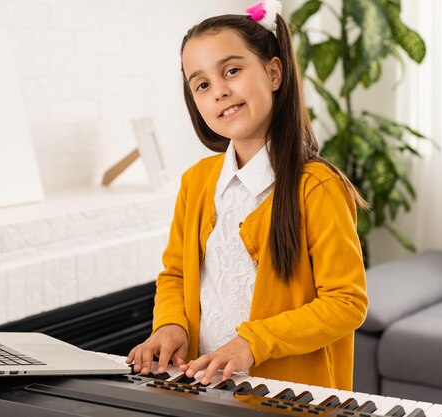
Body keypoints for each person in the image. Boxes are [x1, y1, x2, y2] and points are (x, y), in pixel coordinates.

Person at [126, 0, 368, 390]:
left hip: (284, 397)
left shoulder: (318, 187)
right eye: (202, 84)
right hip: (203, 389)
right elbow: (175, 274)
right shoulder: (196, 182)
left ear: (274, 72)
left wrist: (251, 344)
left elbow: (345, 303)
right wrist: (169, 327)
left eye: (232, 71)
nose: (219, 91)